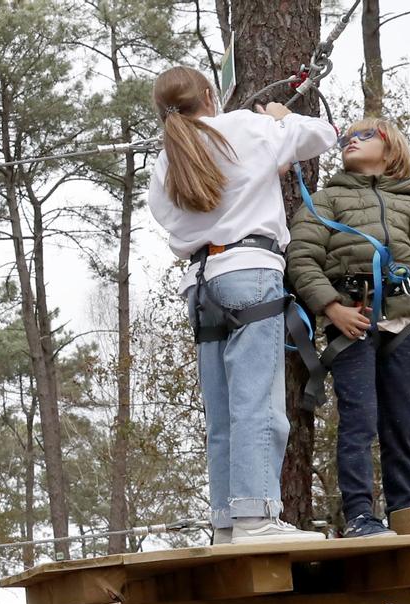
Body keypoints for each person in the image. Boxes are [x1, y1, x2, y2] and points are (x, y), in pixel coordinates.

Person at [146, 66, 337, 544]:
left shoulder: (167, 161)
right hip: (249, 272)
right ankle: (256, 518)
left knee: (224, 410)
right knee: (257, 402)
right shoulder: (248, 126)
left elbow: (185, 209)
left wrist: (252, 173)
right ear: (210, 94)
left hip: (202, 285)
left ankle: (227, 523)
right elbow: (323, 134)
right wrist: (280, 115)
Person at [286, 117, 410, 538]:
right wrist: (332, 307)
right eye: (345, 138)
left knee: (401, 423)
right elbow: (302, 258)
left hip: (403, 323)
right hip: (352, 324)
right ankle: (361, 515)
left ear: (391, 147)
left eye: (363, 136)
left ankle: (407, 509)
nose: (349, 141)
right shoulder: (325, 200)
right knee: (358, 422)